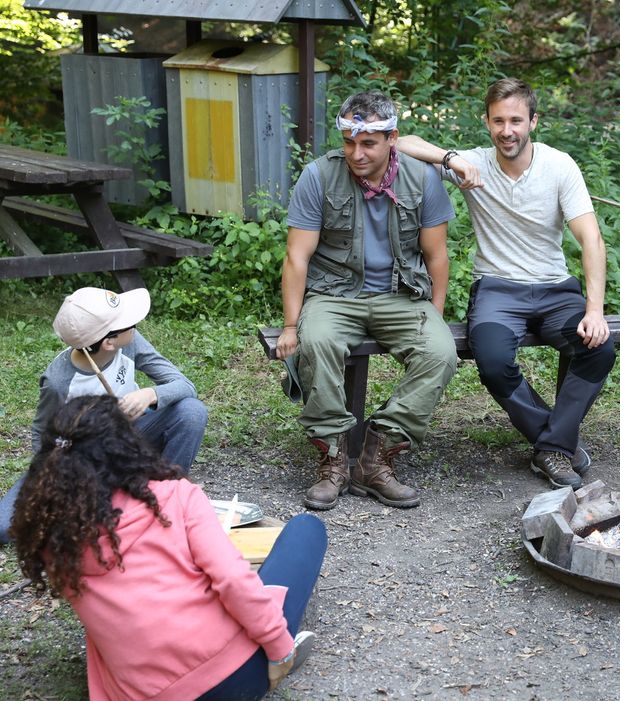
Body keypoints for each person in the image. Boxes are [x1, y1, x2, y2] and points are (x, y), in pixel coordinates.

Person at [10, 394, 327, 700]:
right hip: (238, 674)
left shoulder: (50, 536)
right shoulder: (175, 496)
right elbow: (231, 578)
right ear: (125, 446)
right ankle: (283, 644)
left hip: (147, 692)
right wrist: (279, 647)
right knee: (306, 529)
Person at [397, 77, 615, 491]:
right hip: (497, 290)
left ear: (534, 121)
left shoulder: (559, 165)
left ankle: (553, 446)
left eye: (516, 120)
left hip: (555, 291)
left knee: (598, 348)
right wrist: (451, 159)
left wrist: (594, 310)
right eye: (498, 121)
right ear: (487, 122)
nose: (507, 130)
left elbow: (591, 239)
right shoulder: (473, 162)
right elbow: (402, 143)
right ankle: (558, 443)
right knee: (494, 361)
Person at [279, 90, 457, 510]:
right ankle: (333, 460)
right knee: (318, 342)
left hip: (401, 293)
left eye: (368, 143)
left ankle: (377, 457)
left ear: (392, 138)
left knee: (440, 352)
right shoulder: (319, 176)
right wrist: (291, 325)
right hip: (334, 294)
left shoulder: (421, 178)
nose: (356, 153)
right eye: (348, 142)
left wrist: (436, 313)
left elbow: (436, 255)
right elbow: (296, 256)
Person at [0, 286, 207, 544]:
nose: (135, 325)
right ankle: (106, 498)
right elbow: (42, 436)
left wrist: (149, 394)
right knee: (5, 527)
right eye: (128, 323)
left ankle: (168, 495)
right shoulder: (58, 382)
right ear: (108, 341)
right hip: (81, 458)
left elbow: (185, 386)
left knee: (191, 411)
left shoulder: (130, 344)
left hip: (131, 439)